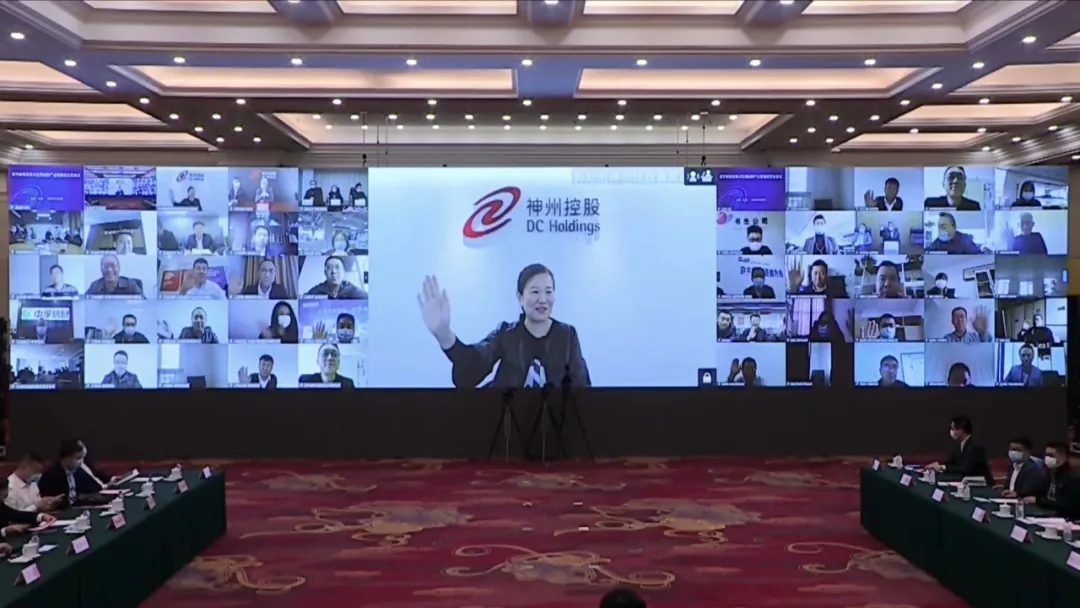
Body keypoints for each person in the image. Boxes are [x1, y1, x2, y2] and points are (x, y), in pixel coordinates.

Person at [418, 265, 590, 388]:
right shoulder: (507, 334)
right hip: (509, 423)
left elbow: (582, 391)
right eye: (535, 292)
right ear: (520, 297)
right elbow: (474, 366)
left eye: (549, 291)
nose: (543, 300)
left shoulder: (567, 336)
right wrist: (444, 335)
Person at [38, 439, 109, 506]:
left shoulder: (78, 471)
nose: (81, 462)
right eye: (78, 458)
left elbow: (93, 488)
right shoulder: (51, 475)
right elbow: (47, 501)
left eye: (82, 458)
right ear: (66, 457)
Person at [926, 415, 993, 485]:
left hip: (981, 484)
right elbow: (951, 462)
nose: (951, 432)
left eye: (953, 429)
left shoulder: (975, 446)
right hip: (965, 483)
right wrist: (938, 465)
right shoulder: (958, 445)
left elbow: (966, 469)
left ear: (961, 430)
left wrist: (943, 467)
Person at [1022, 442, 1080, 520]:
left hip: (1066, 519)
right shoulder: (1050, 472)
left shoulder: (1072, 477)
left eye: (1051, 455)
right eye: (1046, 455)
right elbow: (1038, 491)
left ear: (1064, 457)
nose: (1047, 458)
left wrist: (1038, 501)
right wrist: (1020, 494)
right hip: (1049, 514)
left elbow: (1065, 505)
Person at [0, 477, 55, 541]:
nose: (4, 499)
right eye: (3, 496)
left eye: (6, 495)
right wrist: (5, 531)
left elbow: (17, 515)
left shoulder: (1, 505)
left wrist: (41, 516)